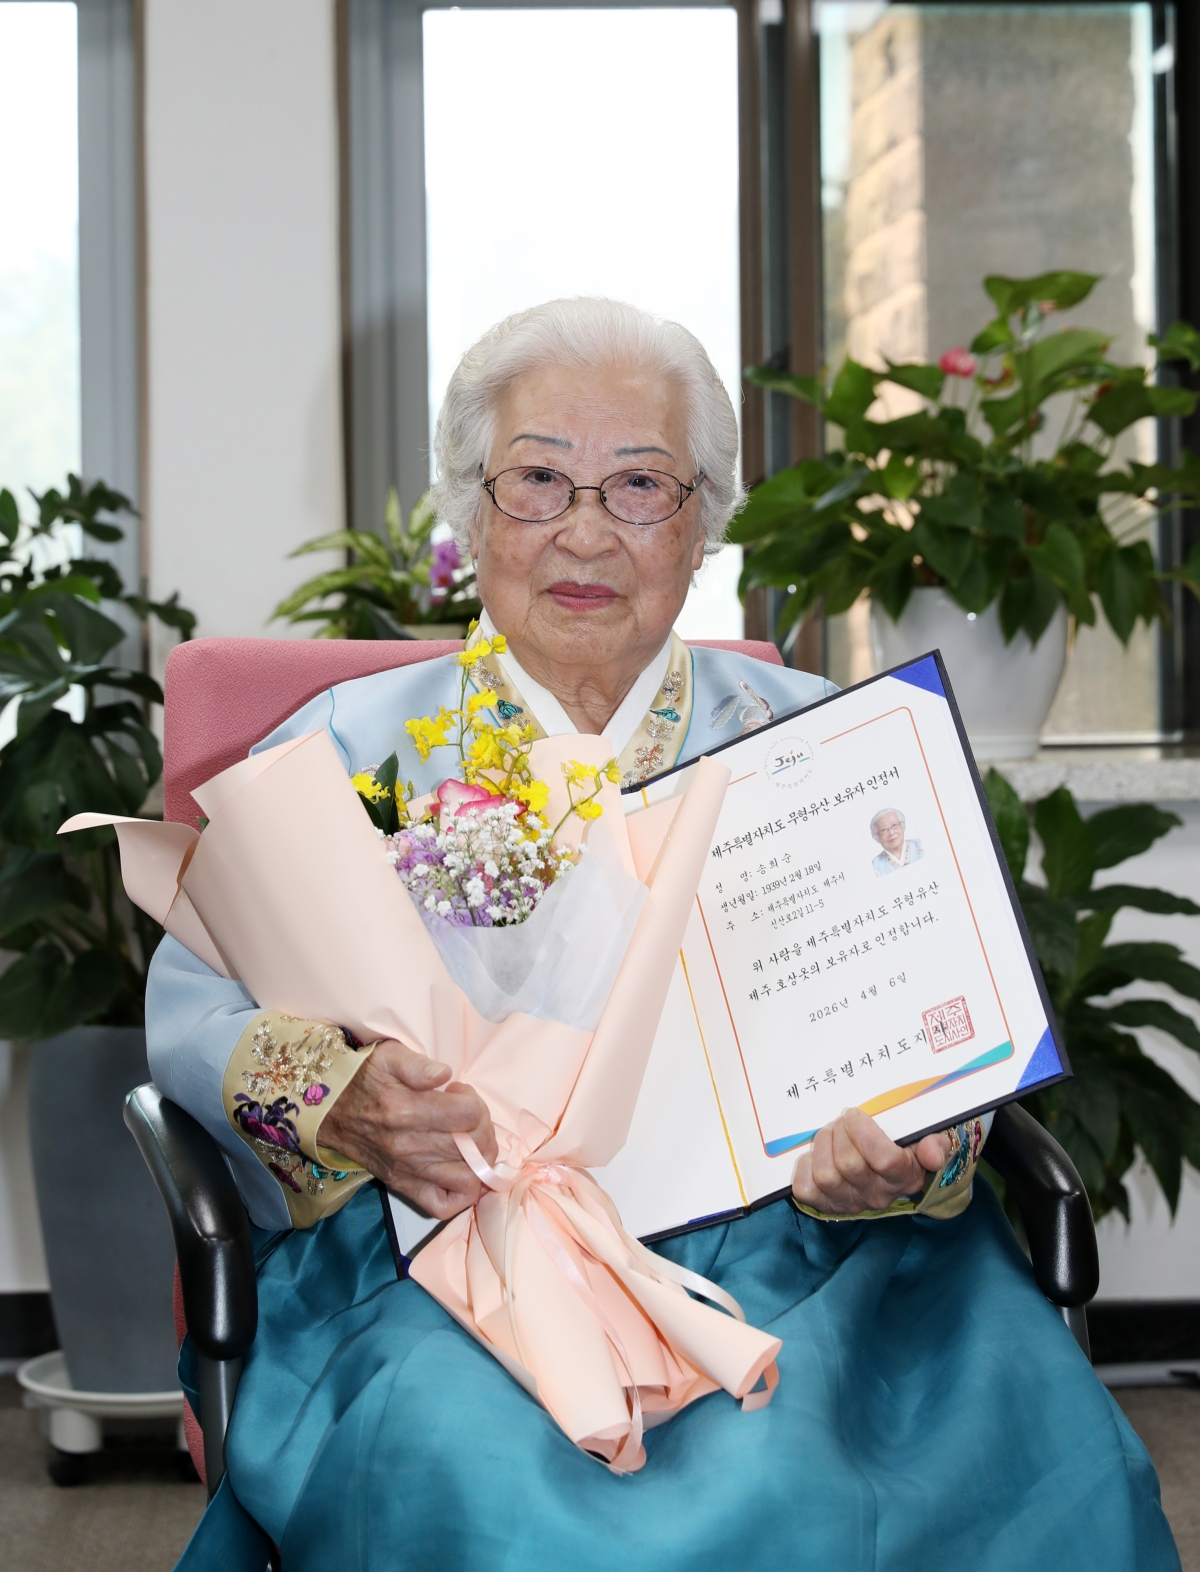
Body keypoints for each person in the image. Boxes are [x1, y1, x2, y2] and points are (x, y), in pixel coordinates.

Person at [148, 299, 1178, 1571]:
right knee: (466, 1473)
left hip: (807, 1236)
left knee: (845, 1463)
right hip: (458, 1247)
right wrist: (343, 1097)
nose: (585, 530)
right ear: (470, 509)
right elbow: (197, 1006)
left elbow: (935, 1015)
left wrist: (911, 1140)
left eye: (640, 484)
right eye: (536, 480)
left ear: (706, 523)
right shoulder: (344, 751)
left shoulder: (829, 744)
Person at [870, 806, 923, 876]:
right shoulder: (875, 866)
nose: (891, 833)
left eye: (894, 825)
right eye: (883, 830)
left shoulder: (921, 845)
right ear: (877, 837)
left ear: (903, 826)